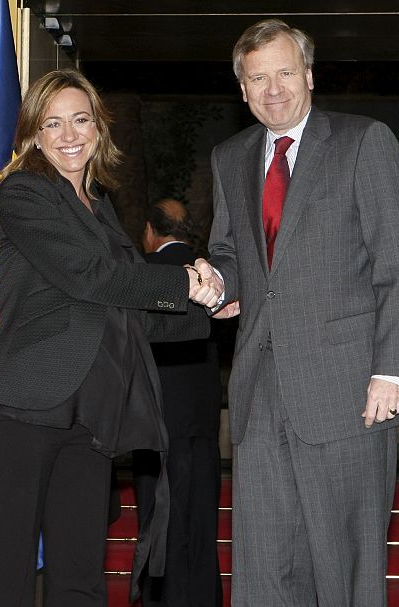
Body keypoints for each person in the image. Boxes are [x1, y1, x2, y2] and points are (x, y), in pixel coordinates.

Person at [191, 19, 399, 607]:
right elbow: (231, 251)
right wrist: (217, 281)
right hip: (259, 393)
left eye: (285, 74)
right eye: (257, 78)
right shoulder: (231, 157)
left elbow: (398, 264)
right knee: (264, 567)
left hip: (349, 392)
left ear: (310, 76)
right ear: (241, 90)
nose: (273, 90)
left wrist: (393, 372)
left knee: (344, 565)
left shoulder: (364, 141)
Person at [0, 69, 211, 607]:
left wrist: (212, 309)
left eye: (80, 119)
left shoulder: (100, 207)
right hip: (27, 403)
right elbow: (90, 278)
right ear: (32, 134)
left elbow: (125, 317)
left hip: (93, 410)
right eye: (52, 123)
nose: (69, 134)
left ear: (99, 129)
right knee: (5, 570)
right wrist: (183, 282)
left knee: (80, 576)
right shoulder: (24, 193)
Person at [134, 198, 223, 607]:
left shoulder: (142, 273)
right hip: (203, 426)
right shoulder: (216, 278)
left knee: (160, 529)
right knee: (202, 527)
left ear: (151, 232)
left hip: (155, 427)